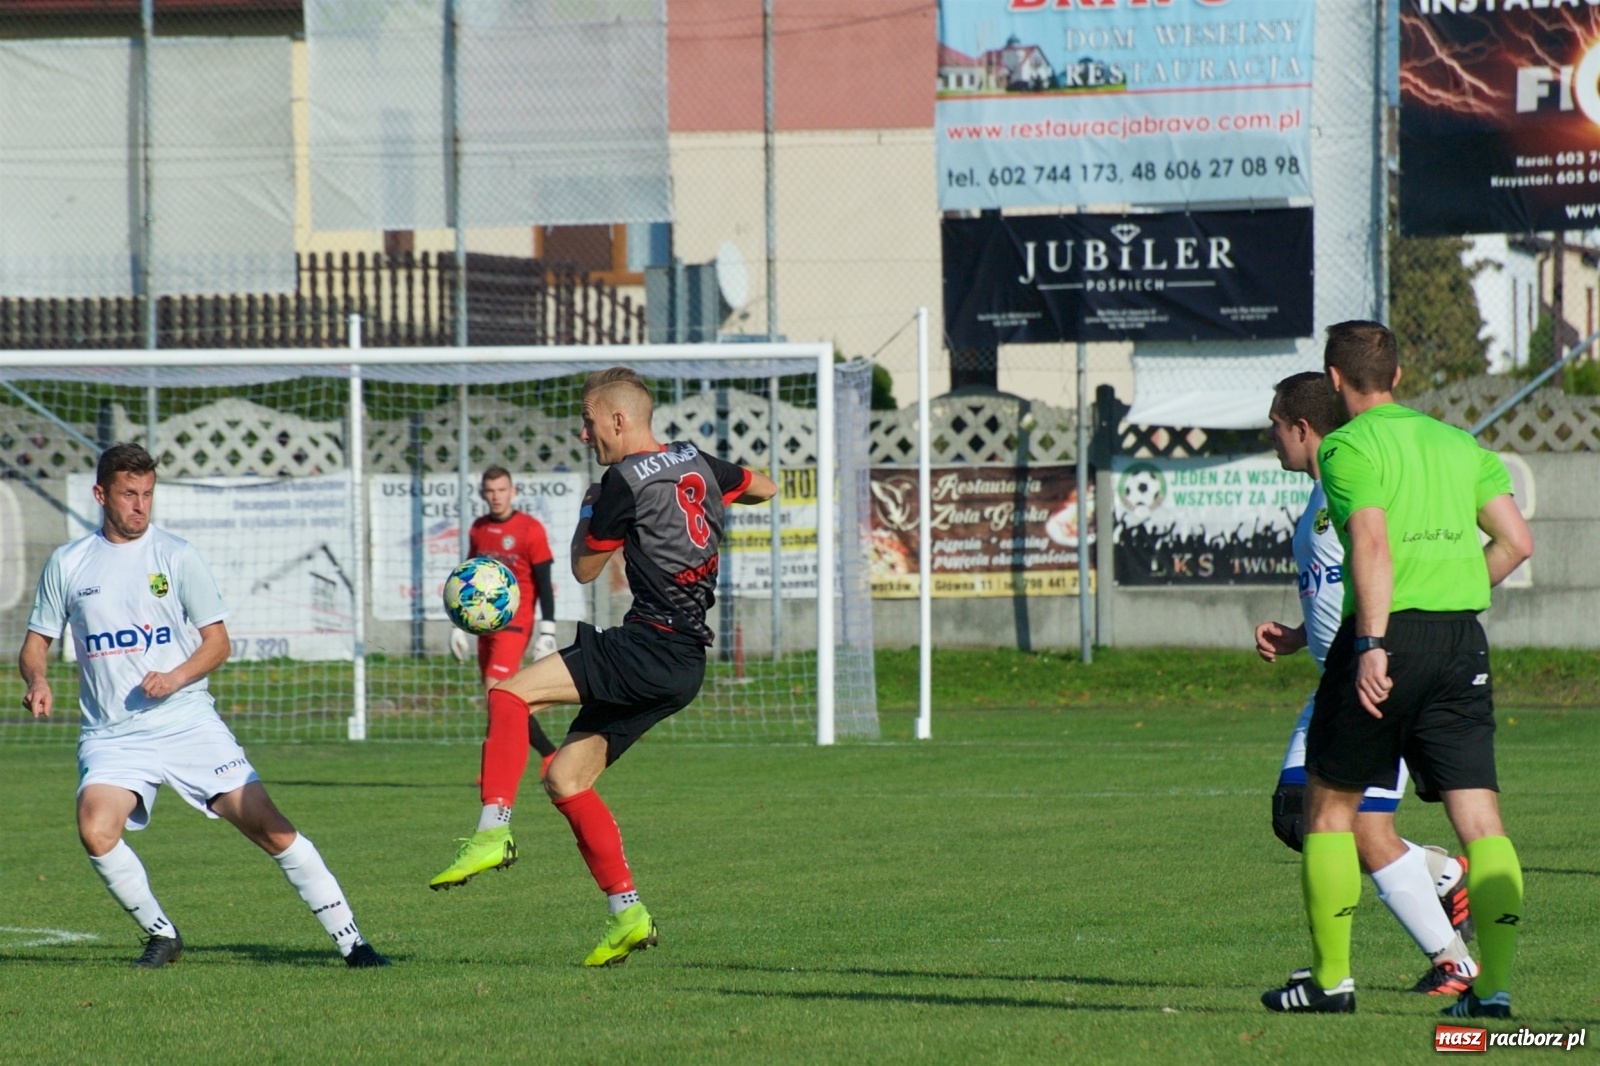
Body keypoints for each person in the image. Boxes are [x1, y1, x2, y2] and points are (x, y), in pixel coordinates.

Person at [444, 367, 776, 966]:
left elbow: (583, 568)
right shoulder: (695, 461)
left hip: (647, 645)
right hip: (684, 665)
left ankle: (492, 829)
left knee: (508, 696)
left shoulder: (620, 481)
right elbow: (767, 487)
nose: (583, 433)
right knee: (566, 779)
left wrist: (588, 508)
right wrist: (714, 491)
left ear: (618, 420)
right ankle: (627, 915)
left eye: (588, 420)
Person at [19, 443, 388, 969]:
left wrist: (175, 677)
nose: (140, 506)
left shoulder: (176, 556)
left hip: (187, 723)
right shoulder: (69, 563)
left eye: (148, 494)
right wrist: (37, 679)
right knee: (96, 831)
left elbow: (218, 643)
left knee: (272, 829)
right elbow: (36, 644)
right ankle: (162, 935)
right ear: (101, 495)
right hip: (113, 735)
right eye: (129, 494)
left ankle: (353, 943)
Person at [1261, 322, 1533, 1018]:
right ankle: (1492, 993)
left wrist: (1375, 642)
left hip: (1386, 640)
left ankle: (1330, 983)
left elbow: (1372, 544)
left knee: (1328, 812)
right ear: (1400, 376)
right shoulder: (1459, 444)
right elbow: (1516, 542)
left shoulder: (1349, 445)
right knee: (1482, 822)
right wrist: (1449, 592)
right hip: (1461, 640)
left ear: (1335, 378)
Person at [1255, 372, 1476, 998]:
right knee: (1299, 814)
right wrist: (1300, 634)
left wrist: (1376, 649)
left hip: (1373, 679)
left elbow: (1383, 565)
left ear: (1302, 428)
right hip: (1335, 679)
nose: (1271, 437)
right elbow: (1347, 585)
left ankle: (1451, 957)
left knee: (1353, 825)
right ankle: (1437, 877)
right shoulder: (1320, 493)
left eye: (1275, 425)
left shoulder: (1353, 482)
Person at [431, 466, 561, 890]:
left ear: (512, 490)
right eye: (489, 490)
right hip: (483, 626)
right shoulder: (479, 529)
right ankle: (535, 757)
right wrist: (457, 624)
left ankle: (535, 759)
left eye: (502, 489)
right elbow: (467, 579)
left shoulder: (530, 529)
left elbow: (544, 582)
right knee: (501, 698)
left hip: (515, 623)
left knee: (498, 694)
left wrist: (547, 628)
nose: (496, 496)